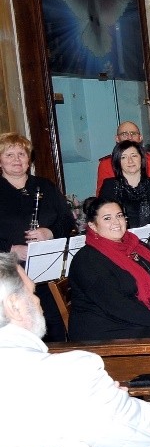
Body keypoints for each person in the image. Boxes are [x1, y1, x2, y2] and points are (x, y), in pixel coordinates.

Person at [0, 251, 150, 447]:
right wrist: (121, 399)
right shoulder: (73, 370)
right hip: (110, 334)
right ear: (13, 306)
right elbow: (149, 431)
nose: (38, 300)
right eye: (32, 293)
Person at [68, 197, 150, 340]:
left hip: (148, 318)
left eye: (119, 216)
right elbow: (116, 305)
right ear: (93, 226)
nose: (116, 222)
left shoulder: (137, 246)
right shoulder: (86, 260)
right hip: (107, 328)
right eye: (107, 218)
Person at [0, 132, 75, 341]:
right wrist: (10, 249)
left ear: (29, 159)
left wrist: (49, 232)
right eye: (9, 155)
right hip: (9, 275)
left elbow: (67, 221)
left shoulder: (45, 186)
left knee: (55, 327)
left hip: (48, 274)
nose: (17, 159)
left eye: (22, 154)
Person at [98, 140, 150, 227]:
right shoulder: (109, 186)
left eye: (134, 156)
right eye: (123, 157)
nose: (130, 161)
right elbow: (103, 220)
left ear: (141, 159)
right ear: (117, 162)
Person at [96, 121, 150, 196]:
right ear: (117, 138)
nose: (129, 137)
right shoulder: (106, 164)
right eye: (124, 134)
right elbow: (102, 198)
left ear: (140, 138)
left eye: (133, 133)